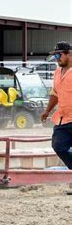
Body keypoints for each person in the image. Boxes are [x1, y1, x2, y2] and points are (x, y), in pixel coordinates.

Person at [41, 42, 72, 182]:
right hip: (62, 118)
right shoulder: (57, 72)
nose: (57, 59)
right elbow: (55, 93)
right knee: (59, 146)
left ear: (69, 54)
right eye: (55, 56)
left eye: (59, 55)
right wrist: (47, 111)